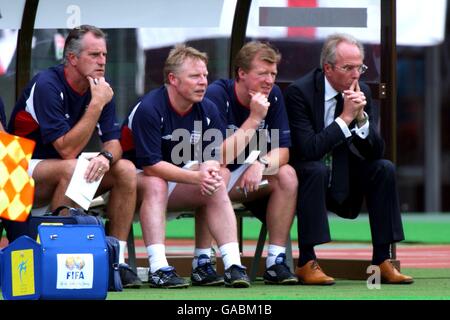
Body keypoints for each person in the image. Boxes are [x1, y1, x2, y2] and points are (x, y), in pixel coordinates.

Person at [7, 25, 142, 288]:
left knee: (124, 169)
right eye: (94, 55)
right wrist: (95, 104)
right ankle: (56, 257)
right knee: (72, 167)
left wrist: (105, 157)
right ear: (71, 58)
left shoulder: (101, 89)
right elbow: (66, 150)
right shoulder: (47, 84)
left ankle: (116, 260)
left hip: (63, 170)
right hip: (17, 173)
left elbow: (114, 144)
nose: (102, 61)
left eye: (104, 54)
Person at [284, 33, 413, 285]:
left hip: (342, 172)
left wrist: (362, 119)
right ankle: (307, 261)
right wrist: (344, 118)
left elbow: (375, 151)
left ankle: (381, 260)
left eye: (360, 67)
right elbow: (309, 149)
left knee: (383, 168)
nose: (356, 75)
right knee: (315, 169)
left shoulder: (361, 90)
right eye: (348, 68)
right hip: (306, 175)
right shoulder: (299, 92)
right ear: (328, 68)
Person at [121, 45, 251, 288]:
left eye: (204, 76)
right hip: (130, 183)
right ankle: (158, 267)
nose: (203, 82)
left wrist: (209, 170)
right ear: (173, 79)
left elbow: (212, 156)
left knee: (217, 179)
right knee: (156, 183)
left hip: (174, 180)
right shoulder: (149, 108)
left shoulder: (208, 109)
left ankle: (233, 264)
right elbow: (151, 166)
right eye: (195, 76)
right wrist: (197, 177)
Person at [197, 41, 298, 285]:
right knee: (217, 173)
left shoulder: (273, 96)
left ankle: (275, 262)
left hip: (246, 174)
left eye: (273, 74)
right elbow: (216, 155)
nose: (269, 80)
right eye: (262, 73)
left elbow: (283, 150)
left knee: (287, 174)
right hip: (201, 174)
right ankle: (202, 262)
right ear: (241, 73)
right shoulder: (217, 95)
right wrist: (254, 119)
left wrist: (261, 163)